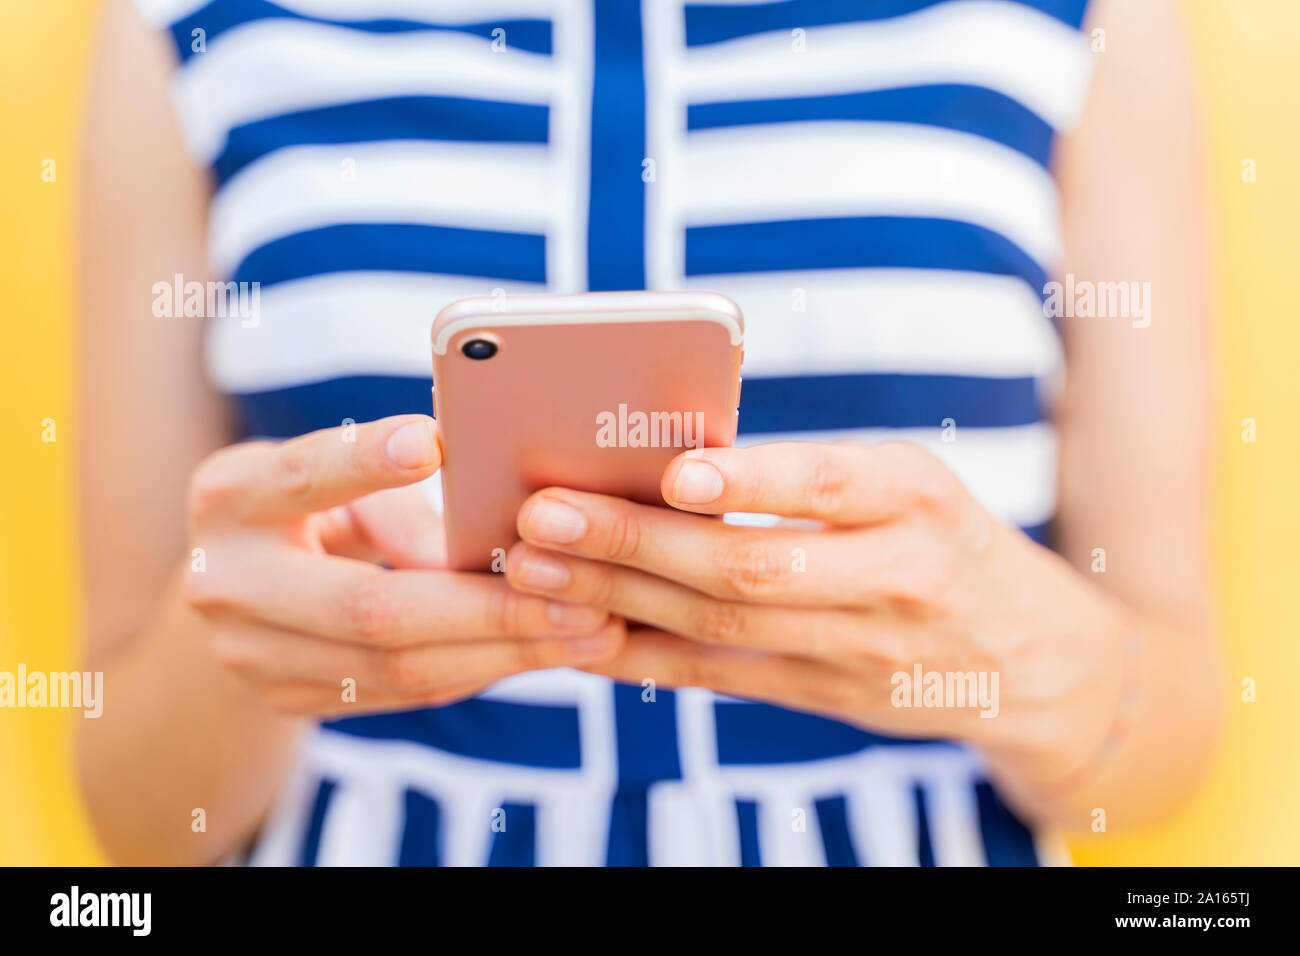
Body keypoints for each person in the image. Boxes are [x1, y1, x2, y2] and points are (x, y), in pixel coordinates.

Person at [77, 0, 1219, 866]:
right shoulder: (185, 29)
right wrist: (243, 647)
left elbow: (1172, 730)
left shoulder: (1078, 22)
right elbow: (129, 809)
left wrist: (1025, 651)